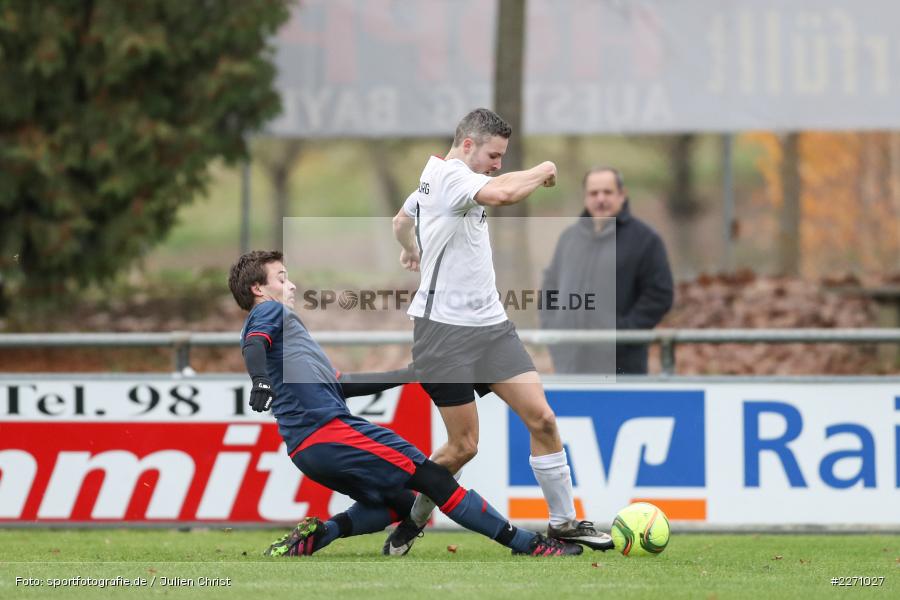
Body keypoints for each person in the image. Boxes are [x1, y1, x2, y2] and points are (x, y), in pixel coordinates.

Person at [228, 250, 582, 558]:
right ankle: (529, 544)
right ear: (259, 289)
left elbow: (342, 384)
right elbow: (254, 344)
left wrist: (410, 373)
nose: (291, 285)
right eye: (282, 278)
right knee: (434, 481)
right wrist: (260, 381)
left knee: (402, 505)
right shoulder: (269, 312)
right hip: (330, 434)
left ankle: (321, 534)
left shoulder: (288, 340)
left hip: (308, 452)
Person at [389, 108, 613, 555]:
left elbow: (400, 220)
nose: (498, 164)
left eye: (502, 157)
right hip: (443, 334)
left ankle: (564, 523)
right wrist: (544, 169)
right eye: (493, 155)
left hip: (490, 328)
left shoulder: (434, 177)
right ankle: (412, 521)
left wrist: (411, 249)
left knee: (543, 419)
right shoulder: (452, 177)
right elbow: (506, 194)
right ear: (467, 145)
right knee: (462, 447)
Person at [541, 167, 673, 375]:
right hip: (570, 364)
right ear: (585, 197)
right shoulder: (569, 238)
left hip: (622, 366)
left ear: (622, 195)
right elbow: (550, 286)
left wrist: (622, 333)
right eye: (594, 193)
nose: (600, 199)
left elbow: (660, 295)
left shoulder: (645, 240)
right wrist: (552, 328)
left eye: (607, 192)